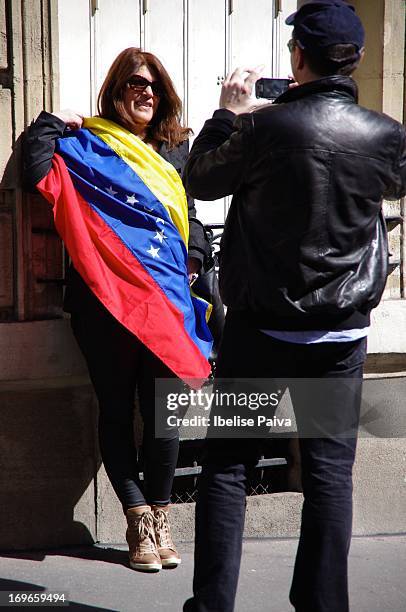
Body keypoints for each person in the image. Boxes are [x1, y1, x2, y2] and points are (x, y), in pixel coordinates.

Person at [182, 1, 406, 611]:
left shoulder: (262, 130)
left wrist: (227, 115)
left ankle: (211, 607)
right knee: (331, 476)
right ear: (355, 60)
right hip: (339, 335)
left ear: (298, 57)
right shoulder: (385, 137)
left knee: (227, 468)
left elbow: (198, 178)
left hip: (260, 332)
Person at [24, 47, 212, 573]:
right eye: (133, 83)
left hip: (167, 305)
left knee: (163, 418)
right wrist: (53, 120)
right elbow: (36, 167)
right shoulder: (89, 144)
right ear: (116, 90)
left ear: (165, 95)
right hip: (105, 303)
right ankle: (137, 523)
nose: (144, 92)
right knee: (116, 408)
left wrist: (193, 257)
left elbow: (190, 216)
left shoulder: (175, 150)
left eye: (152, 85)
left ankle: (161, 515)